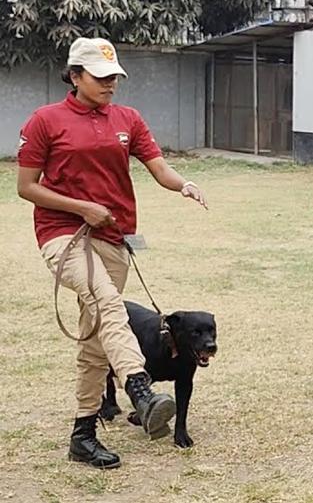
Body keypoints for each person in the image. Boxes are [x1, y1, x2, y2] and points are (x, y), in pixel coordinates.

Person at [16, 38, 208, 469]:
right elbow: (26, 187)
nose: (110, 84)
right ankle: (139, 387)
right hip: (62, 233)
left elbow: (157, 166)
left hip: (114, 236)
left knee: (95, 339)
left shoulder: (128, 119)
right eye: (100, 78)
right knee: (106, 300)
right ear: (75, 75)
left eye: (114, 77)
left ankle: (83, 436)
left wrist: (184, 185)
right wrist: (81, 207)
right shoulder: (46, 120)